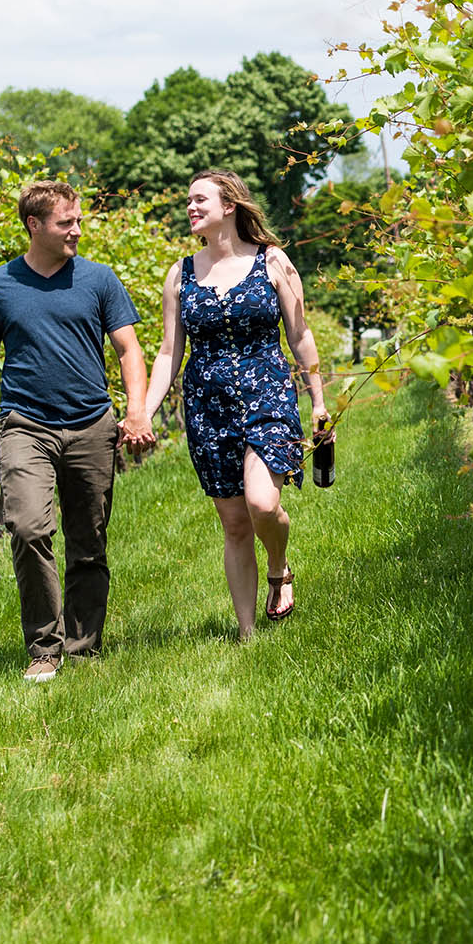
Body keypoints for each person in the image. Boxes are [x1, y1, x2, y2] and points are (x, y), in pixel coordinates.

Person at [0, 181, 155, 682]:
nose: (77, 230)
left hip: (91, 424)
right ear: (34, 225)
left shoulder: (100, 279)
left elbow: (130, 350)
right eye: (66, 223)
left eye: (79, 220)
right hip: (25, 425)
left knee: (89, 540)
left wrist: (138, 411)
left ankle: (82, 648)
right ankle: (44, 648)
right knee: (28, 527)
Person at [142, 168, 327, 641]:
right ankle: (246, 633)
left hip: (268, 395)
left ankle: (280, 565)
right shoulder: (180, 274)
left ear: (229, 206)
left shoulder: (273, 262)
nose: (191, 207)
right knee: (234, 524)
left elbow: (300, 335)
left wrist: (319, 402)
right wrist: (142, 410)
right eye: (189, 200)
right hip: (208, 409)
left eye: (200, 199)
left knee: (262, 504)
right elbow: (168, 353)